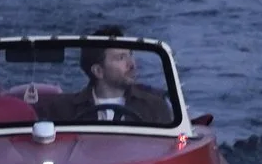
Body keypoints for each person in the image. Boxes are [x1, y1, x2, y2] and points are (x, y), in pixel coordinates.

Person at [43, 38, 173, 126]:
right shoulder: (62, 109)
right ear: (98, 71)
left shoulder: (155, 106)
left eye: (130, 55)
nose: (132, 64)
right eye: (121, 58)